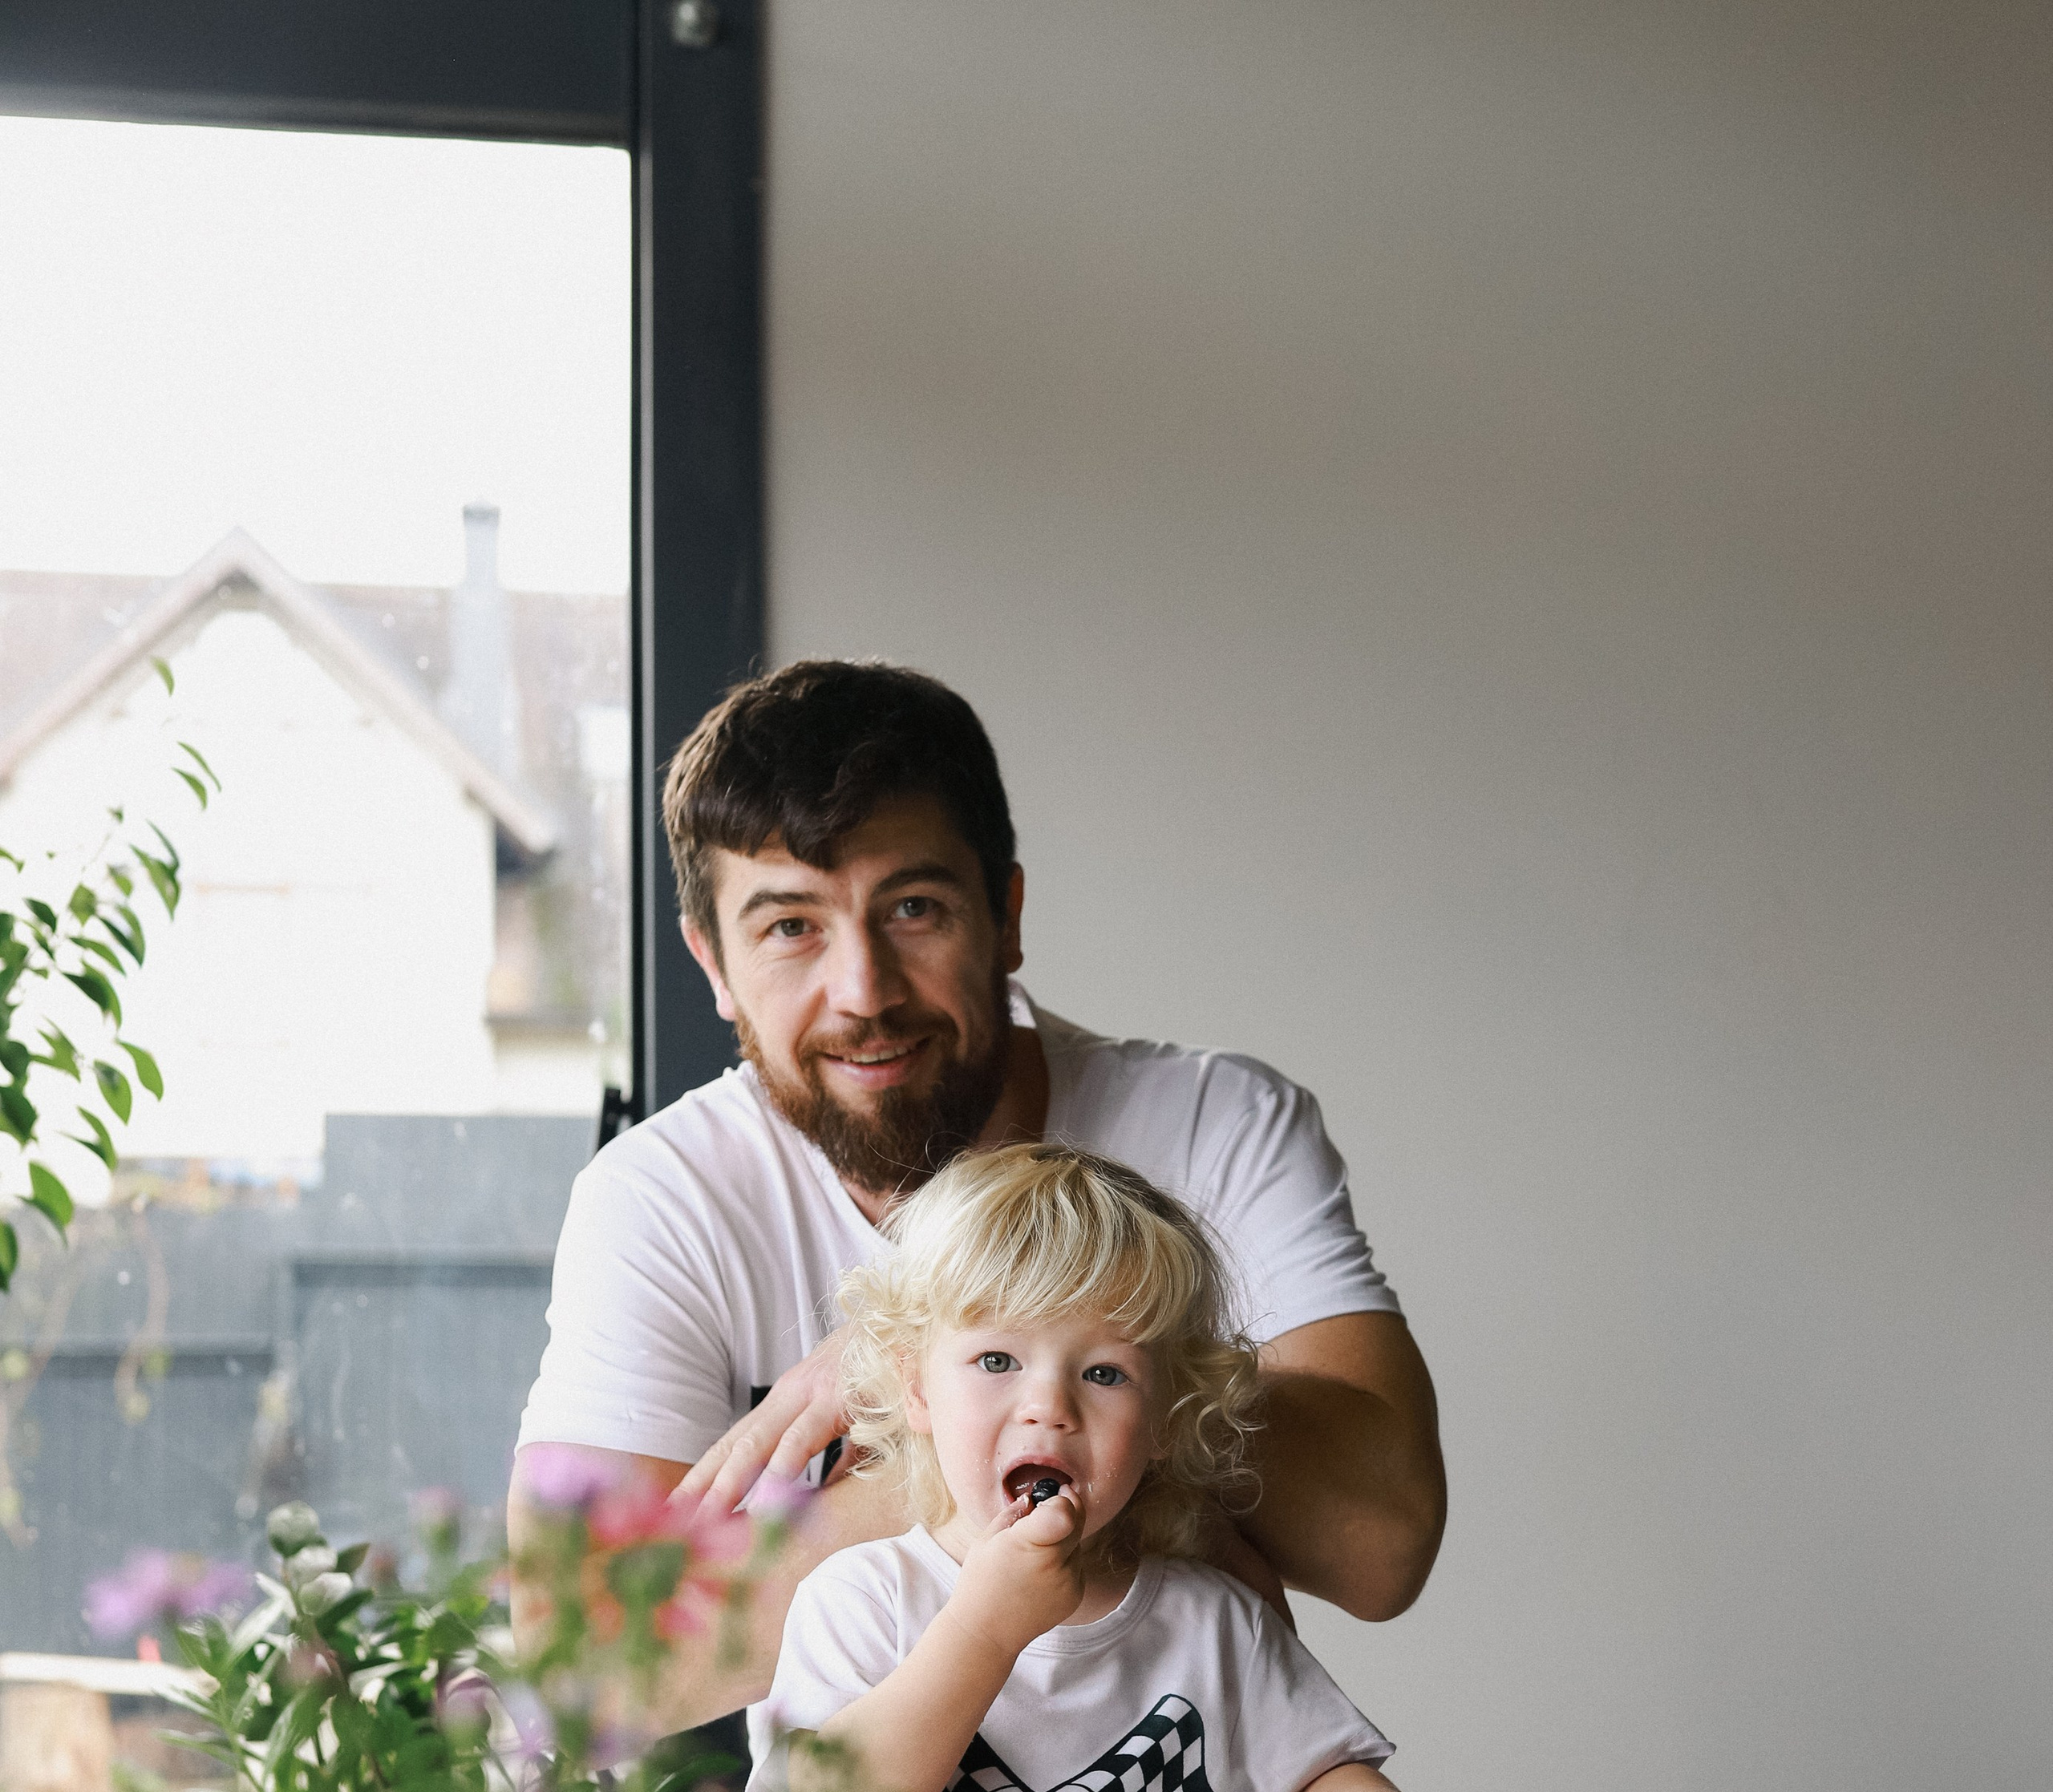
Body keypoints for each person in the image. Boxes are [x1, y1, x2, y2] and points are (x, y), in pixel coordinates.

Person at [511, 658, 1447, 1728]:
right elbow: (587, 1665)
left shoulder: (1215, 1122)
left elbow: (1384, 1542)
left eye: (913, 908)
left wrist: (965, 1399)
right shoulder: (662, 1197)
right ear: (712, 962)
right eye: (789, 926)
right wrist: (958, 1395)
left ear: (1004, 915)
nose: (863, 990)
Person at [726, 1145, 1512, 1792]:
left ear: (1166, 1419)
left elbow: (1308, 1780)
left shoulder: (1210, 1623)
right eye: (997, 1360)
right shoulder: (862, 1601)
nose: (1049, 1406)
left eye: (1103, 1373)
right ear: (915, 1390)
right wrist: (983, 1628)